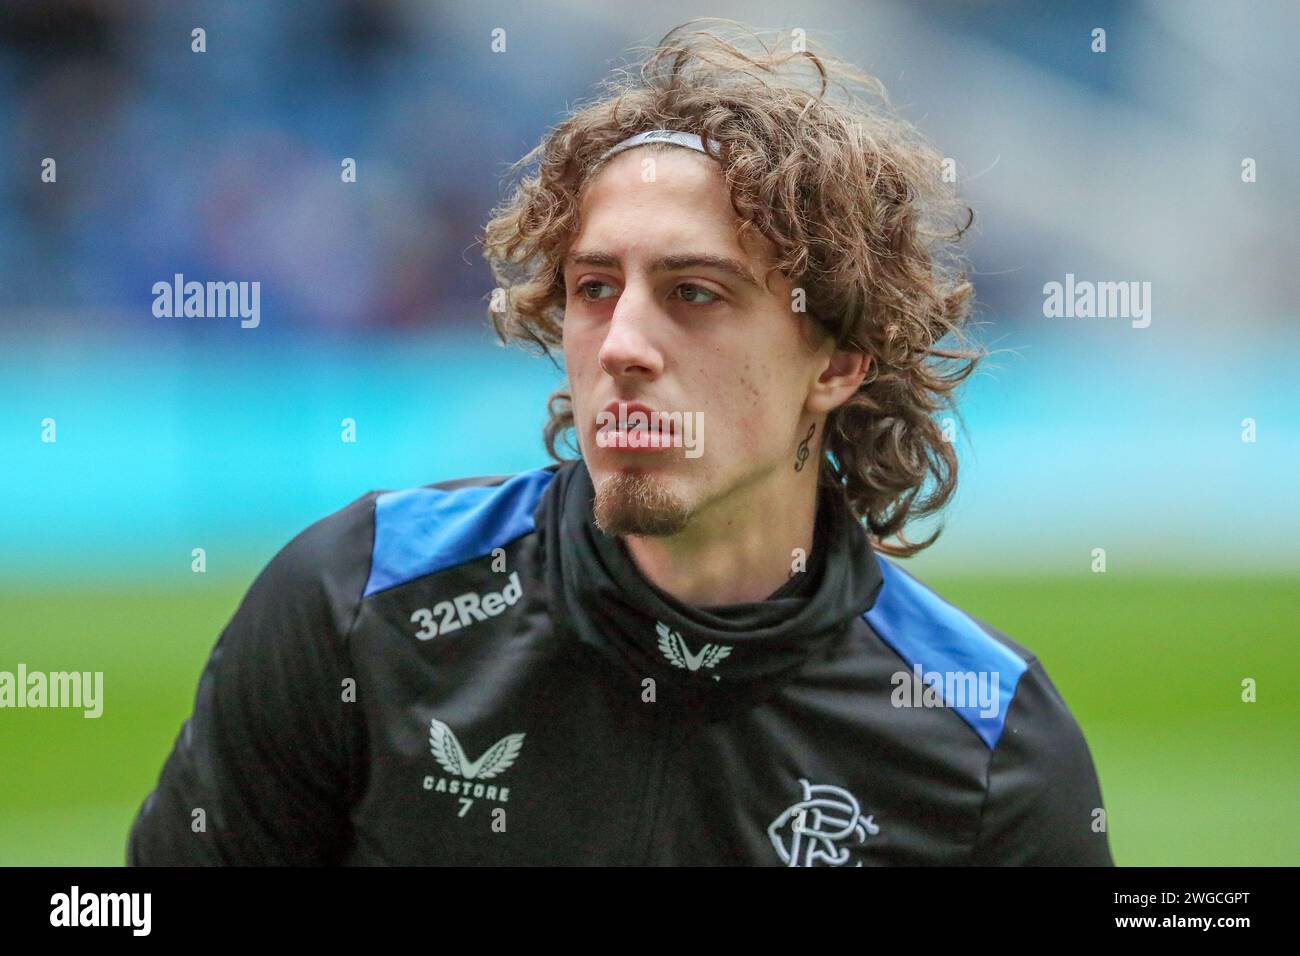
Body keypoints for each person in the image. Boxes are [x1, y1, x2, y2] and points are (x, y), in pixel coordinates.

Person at [128, 20, 1113, 866]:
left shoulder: (989, 740)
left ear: (837, 362)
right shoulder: (358, 605)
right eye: (595, 288)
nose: (625, 345)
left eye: (695, 293)